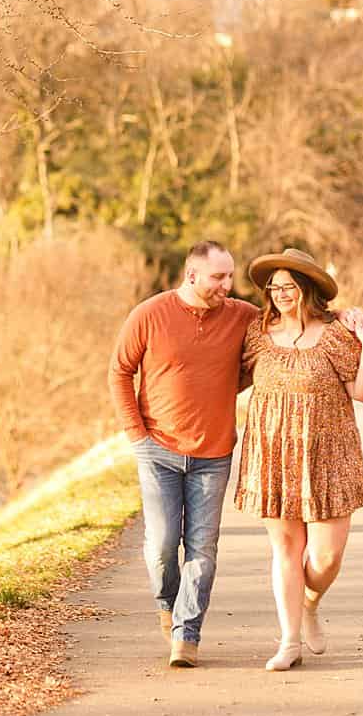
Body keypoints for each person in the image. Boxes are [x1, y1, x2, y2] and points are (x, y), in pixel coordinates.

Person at [109, 241, 259, 669]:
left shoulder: (241, 316)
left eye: (230, 276)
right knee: (160, 546)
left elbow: (282, 331)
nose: (227, 286)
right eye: (218, 277)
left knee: (202, 548)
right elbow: (119, 371)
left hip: (214, 454)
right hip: (157, 449)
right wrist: (136, 434)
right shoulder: (149, 314)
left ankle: (186, 634)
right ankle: (167, 604)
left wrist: (342, 318)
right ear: (191, 276)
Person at [232, 247, 363, 671]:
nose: (279, 294)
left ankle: (310, 601)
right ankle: (289, 641)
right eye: (274, 287)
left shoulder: (335, 333)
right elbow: (227, 375)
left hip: (330, 455)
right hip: (273, 453)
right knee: (285, 548)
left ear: (307, 288)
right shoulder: (258, 334)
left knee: (326, 558)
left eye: (288, 286)